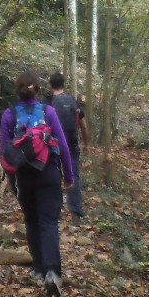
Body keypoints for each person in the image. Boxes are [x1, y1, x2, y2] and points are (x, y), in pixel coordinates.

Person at [0, 69, 75, 296]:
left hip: (24, 176)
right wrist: (69, 176)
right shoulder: (48, 112)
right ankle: (52, 271)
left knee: (31, 221)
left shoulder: (9, 115)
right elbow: (62, 146)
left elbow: (4, 152)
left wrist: (12, 181)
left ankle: (40, 269)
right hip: (49, 172)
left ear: (18, 91)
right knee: (48, 222)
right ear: (39, 90)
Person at [46, 72, 88, 220]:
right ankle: (76, 212)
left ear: (50, 85)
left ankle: (55, 211)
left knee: (54, 174)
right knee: (74, 176)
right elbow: (83, 125)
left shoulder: (48, 103)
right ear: (64, 84)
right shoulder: (73, 101)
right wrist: (86, 143)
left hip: (54, 144)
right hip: (72, 143)